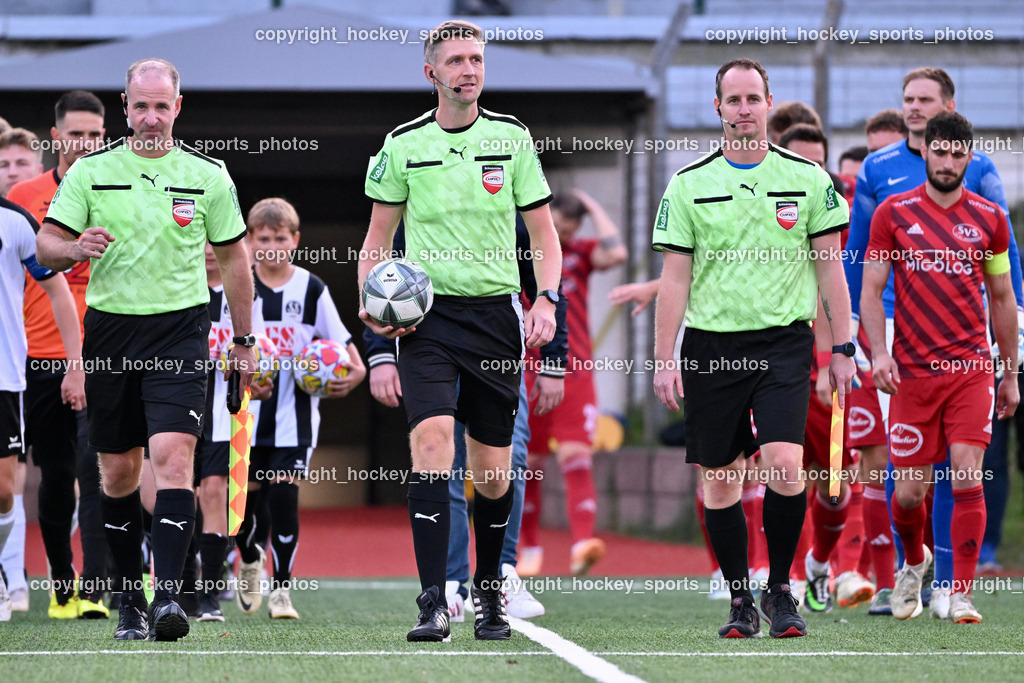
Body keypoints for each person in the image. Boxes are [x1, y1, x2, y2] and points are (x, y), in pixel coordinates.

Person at [36, 58, 256, 641]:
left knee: (174, 458)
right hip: (109, 332)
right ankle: (129, 601)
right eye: (142, 106)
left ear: (178, 107)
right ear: (126, 108)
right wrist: (76, 245)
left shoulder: (209, 175)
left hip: (180, 331)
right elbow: (47, 245)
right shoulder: (91, 171)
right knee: (117, 472)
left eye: (163, 105)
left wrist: (243, 339)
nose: (152, 117)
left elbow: (235, 259)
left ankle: (168, 598)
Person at [359, 19, 561, 642]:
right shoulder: (401, 146)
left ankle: (493, 593)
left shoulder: (512, 138)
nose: (468, 69)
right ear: (432, 74)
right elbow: (375, 244)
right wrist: (371, 302)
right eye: (455, 61)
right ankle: (432, 601)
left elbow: (545, 238)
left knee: (494, 470)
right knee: (432, 447)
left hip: (497, 317)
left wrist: (547, 301)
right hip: (428, 321)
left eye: (476, 59)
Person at [652, 58, 855, 639]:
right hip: (712, 346)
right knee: (720, 479)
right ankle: (741, 600)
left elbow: (830, 270)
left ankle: (781, 590)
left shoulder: (809, 179)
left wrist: (842, 346)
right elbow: (674, 280)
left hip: (783, 345)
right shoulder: (688, 185)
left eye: (753, 98)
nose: (744, 109)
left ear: (770, 103)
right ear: (718, 108)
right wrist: (665, 358)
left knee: (786, 464)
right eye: (733, 100)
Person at [844, 67, 1024, 619]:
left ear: (968, 158)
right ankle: (912, 564)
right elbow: (870, 286)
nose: (946, 162)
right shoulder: (893, 212)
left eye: (956, 154)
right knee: (909, 492)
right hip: (908, 365)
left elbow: (1000, 292)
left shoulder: (991, 220)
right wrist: (872, 350)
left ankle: (959, 591)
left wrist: (1010, 367)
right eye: (938, 153)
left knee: (967, 469)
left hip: (971, 365)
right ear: (925, 155)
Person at [363, 214, 566, 623]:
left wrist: (555, 360)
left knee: (508, 460)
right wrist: (380, 353)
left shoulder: (509, 209)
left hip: (497, 342)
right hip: (432, 344)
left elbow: (543, 283)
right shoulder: (418, 211)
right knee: (441, 458)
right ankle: (451, 585)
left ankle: (501, 572)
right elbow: (385, 280)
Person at [233, 197, 365, 620]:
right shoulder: (239, 285)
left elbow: (346, 351)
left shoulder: (312, 289)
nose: (272, 246)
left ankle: (283, 591)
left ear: (296, 241)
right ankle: (250, 558)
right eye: (264, 238)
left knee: (284, 499)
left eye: (281, 238)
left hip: (296, 419)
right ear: (250, 241)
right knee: (246, 509)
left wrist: (354, 375)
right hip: (243, 420)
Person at [6, 90, 110, 619]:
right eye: (77, 133)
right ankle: (61, 580)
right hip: (38, 355)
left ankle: (96, 584)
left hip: (107, 353)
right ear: (56, 137)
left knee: (100, 467)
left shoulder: (120, 188)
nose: (87, 143)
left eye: (96, 134)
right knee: (54, 470)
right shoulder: (23, 195)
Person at [519, 189, 626, 576]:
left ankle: (582, 543)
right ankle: (527, 548)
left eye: (570, 228)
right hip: (526, 369)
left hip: (574, 369)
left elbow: (616, 253)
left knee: (576, 456)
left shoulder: (578, 254)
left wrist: (594, 203)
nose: (562, 235)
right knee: (526, 463)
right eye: (558, 227)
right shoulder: (520, 250)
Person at [0, 195, 85, 621]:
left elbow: (58, 291)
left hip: (12, 376)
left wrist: (76, 365)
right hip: (25, 373)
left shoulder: (16, 222)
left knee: (9, 487)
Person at [0, 128, 44, 196]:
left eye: (22, 164)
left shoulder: (58, 205)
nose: (12, 172)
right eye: (4, 165)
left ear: (39, 170)